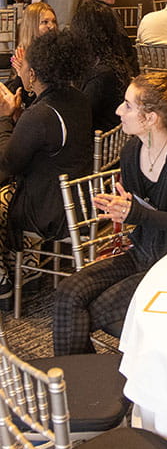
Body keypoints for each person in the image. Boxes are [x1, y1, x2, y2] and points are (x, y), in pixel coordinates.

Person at [51, 68, 167, 355]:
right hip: (141, 252)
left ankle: (87, 388)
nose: (118, 111)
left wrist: (136, 214)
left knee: (90, 312)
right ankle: (80, 389)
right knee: (67, 294)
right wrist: (123, 209)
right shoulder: (131, 151)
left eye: (128, 105)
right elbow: (139, 211)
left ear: (150, 118)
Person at [0, 30, 92, 307]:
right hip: (79, 199)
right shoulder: (77, 98)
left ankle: (4, 282)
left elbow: (6, 164)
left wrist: (4, 119)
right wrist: (18, 117)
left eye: (24, 64)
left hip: (48, 209)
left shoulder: (40, 114)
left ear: (33, 73)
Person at [70, 0, 139, 131]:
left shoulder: (102, 75)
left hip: (96, 140)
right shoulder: (113, 60)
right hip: (106, 132)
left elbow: (80, 115)